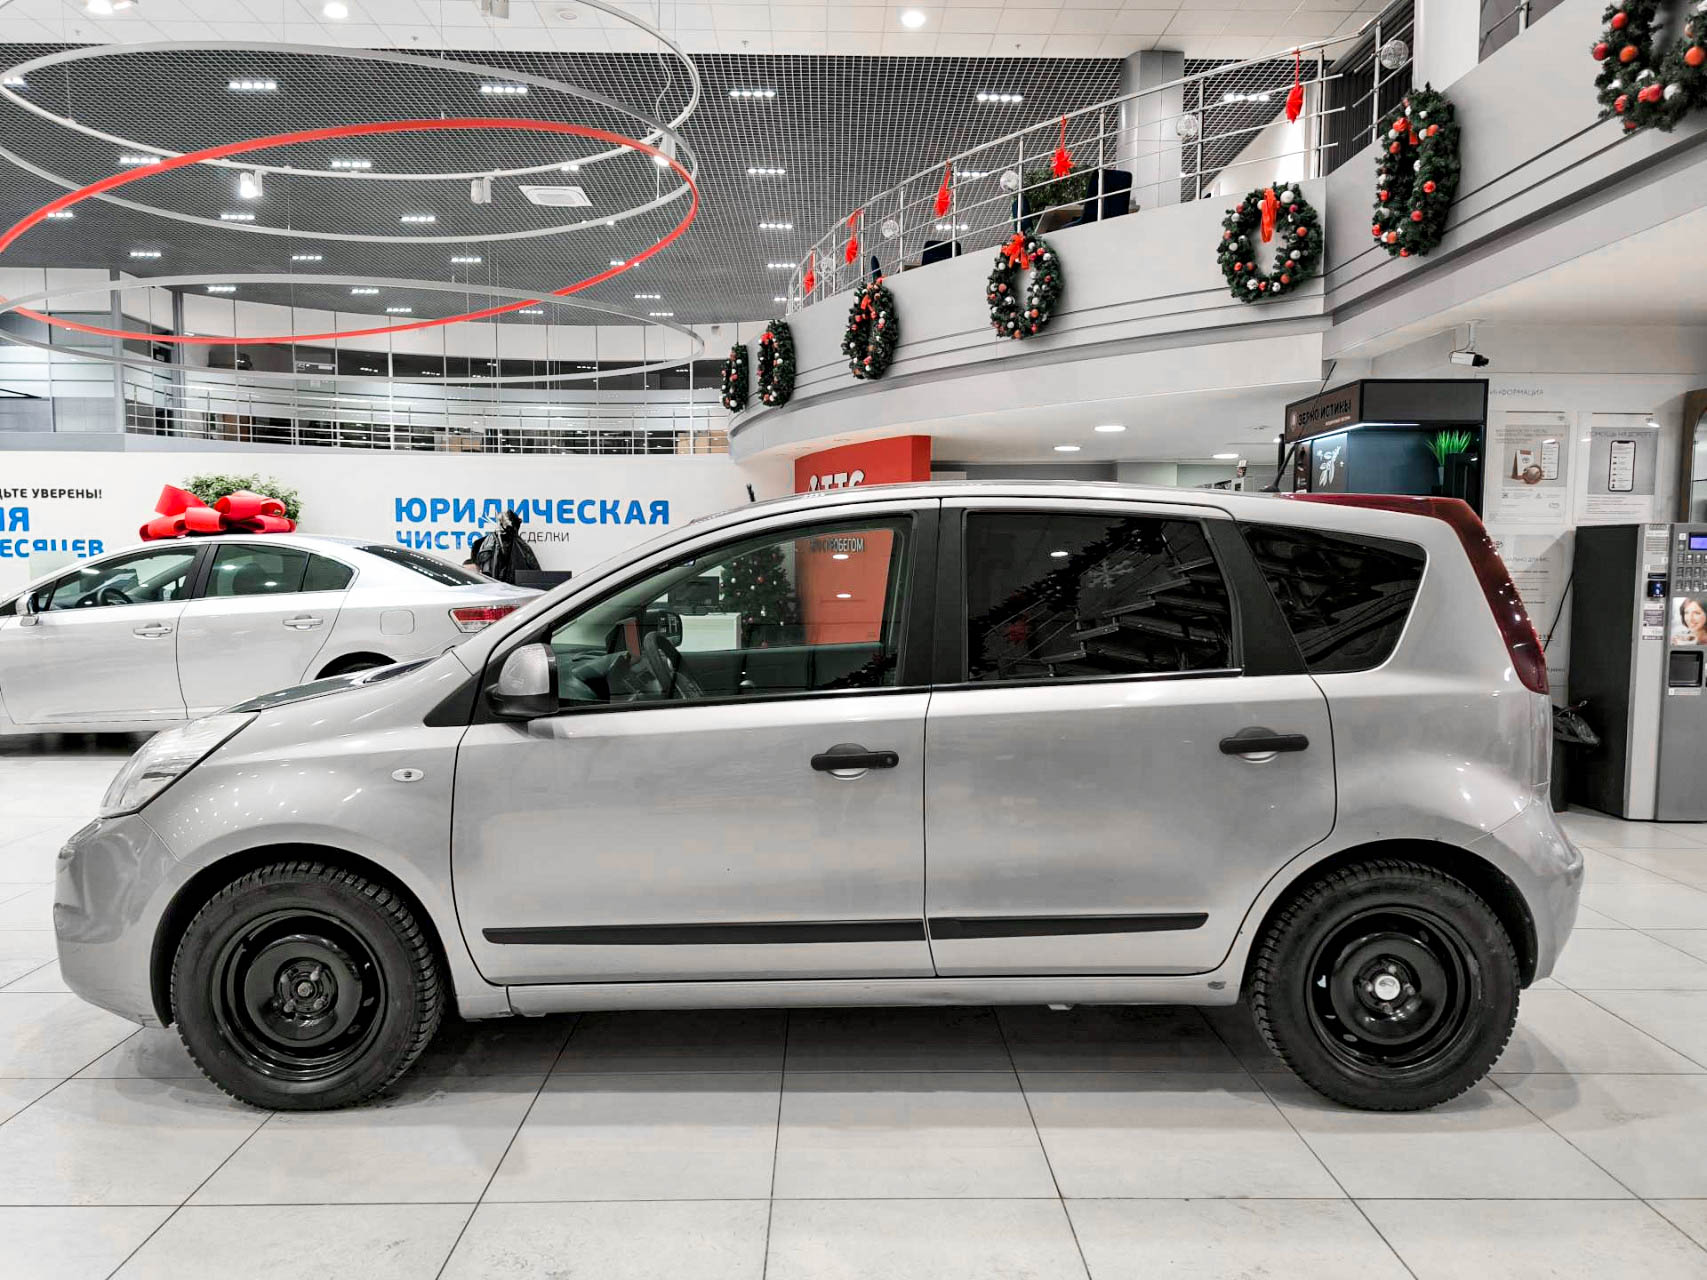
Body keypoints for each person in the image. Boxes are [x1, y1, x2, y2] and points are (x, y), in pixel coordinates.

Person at [470, 508, 540, 584]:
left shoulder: (521, 547)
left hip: (499, 587)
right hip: (505, 587)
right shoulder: (522, 546)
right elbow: (536, 574)